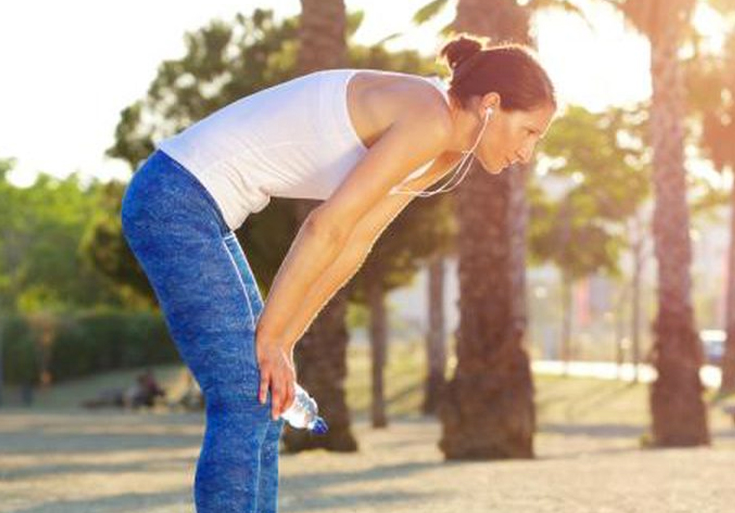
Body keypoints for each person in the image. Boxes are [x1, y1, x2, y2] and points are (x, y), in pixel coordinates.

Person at [119, 33, 556, 513]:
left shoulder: (447, 147)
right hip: (175, 198)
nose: (527, 153)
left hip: (204, 210)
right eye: (530, 131)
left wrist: (284, 340)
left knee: (265, 395)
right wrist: (271, 338)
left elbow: (356, 241)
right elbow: (325, 227)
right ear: (491, 105)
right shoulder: (429, 118)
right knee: (245, 395)